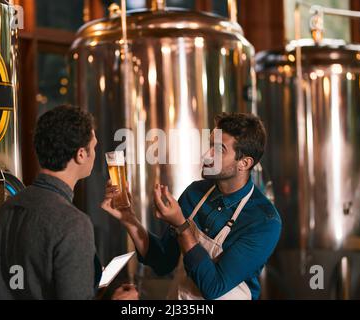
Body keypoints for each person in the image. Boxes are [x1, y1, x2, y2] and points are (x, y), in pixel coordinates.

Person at [102, 112, 282, 300]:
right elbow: (163, 261)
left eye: (219, 150)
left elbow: (213, 286)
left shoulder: (264, 221)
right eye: (210, 145)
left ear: (244, 163)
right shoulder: (195, 193)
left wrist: (182, 226)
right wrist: (128, 218)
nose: (206, 155)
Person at [0, 105, 138, 300]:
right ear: (81, 154)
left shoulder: (3, 212)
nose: (95, 153)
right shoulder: (72, 223)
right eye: (94, 147)